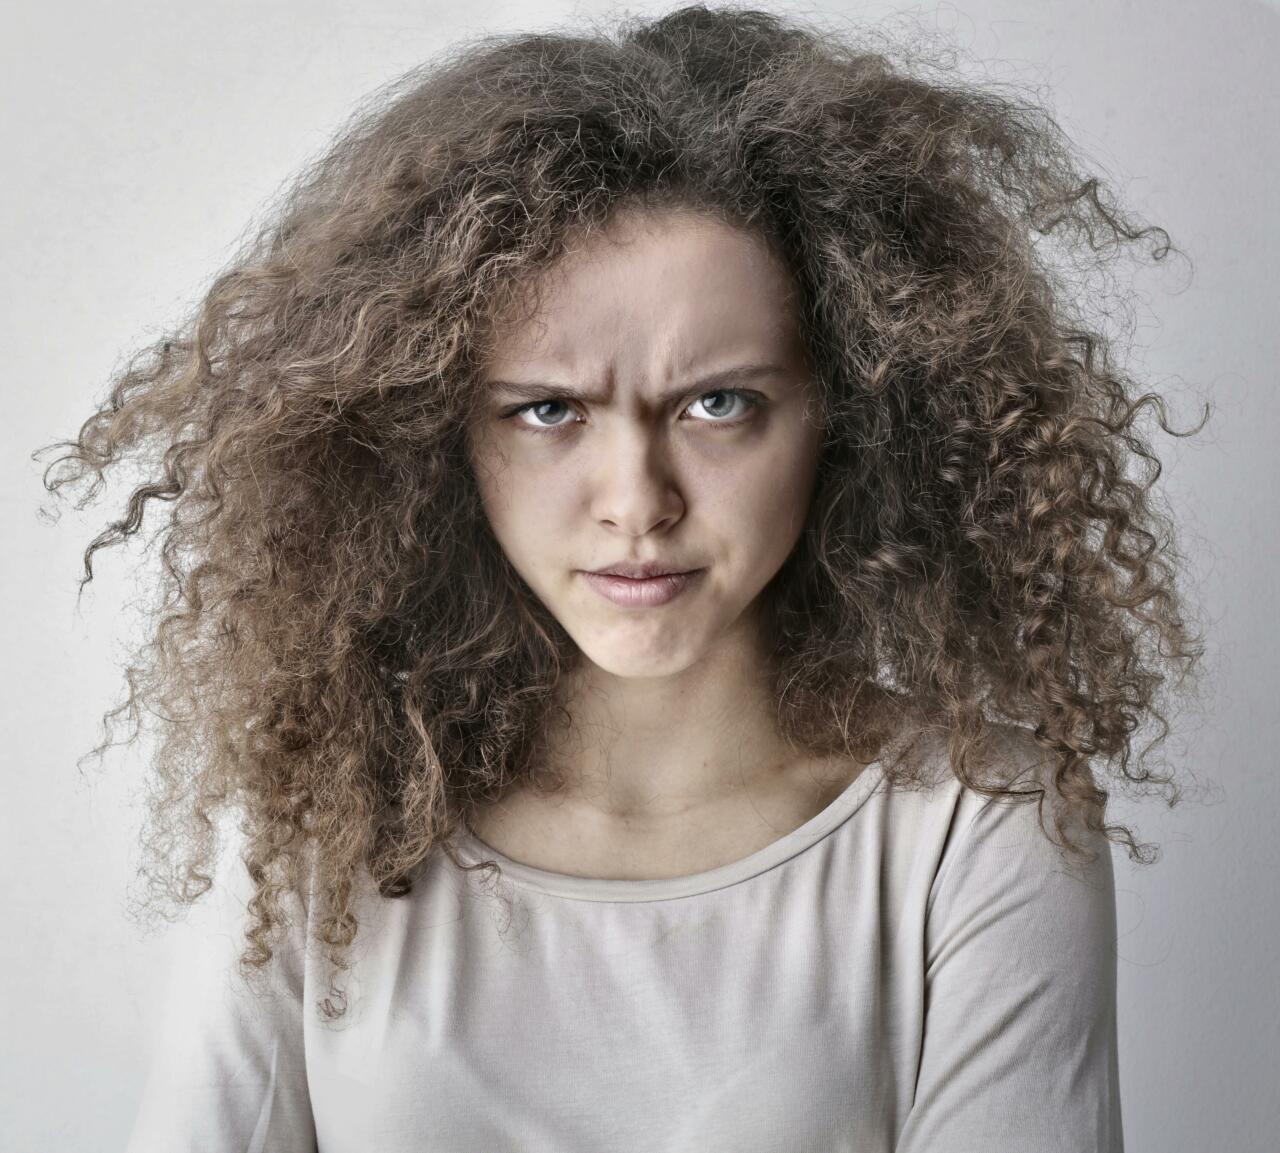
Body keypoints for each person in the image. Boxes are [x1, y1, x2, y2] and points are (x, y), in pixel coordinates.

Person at [36, 5, 1207, 1151]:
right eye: (548, 411)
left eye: (717, 404)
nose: (635, 498)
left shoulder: (978, 824)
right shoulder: (320, 828)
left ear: (843, 418)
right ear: (441, 439)